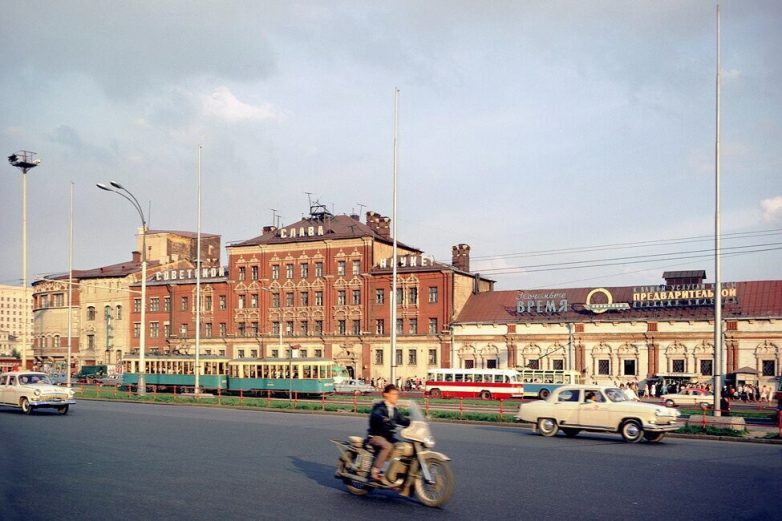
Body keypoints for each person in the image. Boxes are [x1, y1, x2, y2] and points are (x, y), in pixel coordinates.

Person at [367, 384, 410, 482]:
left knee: (402, 447)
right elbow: (376, 415)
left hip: (388, 437)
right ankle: (376, 470)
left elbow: (401, 419)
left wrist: (412, 422)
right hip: (376, 436)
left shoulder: (394, 410)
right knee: (388, 446)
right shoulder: (379, 407)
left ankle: (393, 472)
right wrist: (382, 418)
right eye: (393, 394)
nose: (396, 396)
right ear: (386, 394)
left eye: (397, 394)